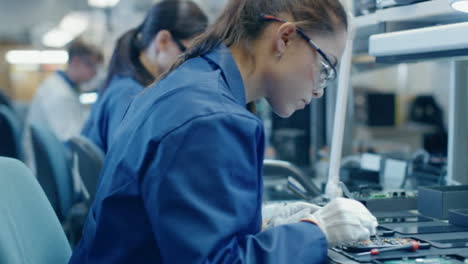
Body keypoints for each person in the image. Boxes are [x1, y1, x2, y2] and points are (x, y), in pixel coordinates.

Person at [70, 0, 377, 263]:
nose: (321, 91)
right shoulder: (210, 118)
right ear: (285, 38)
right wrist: (315, 232)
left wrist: (266, 221)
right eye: (325, 68)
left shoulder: (195, 82)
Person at [81, 0, 208, 153]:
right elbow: (128, 165)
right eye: (188, 54)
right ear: (163, 41)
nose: (189, 66)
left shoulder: (125, 81)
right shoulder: (129, 95)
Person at [25, 40, 103, 142]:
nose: (95, 72)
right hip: (47, 156)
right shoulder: (58, 93)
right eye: (91, 65)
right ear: (76, 62)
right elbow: (69, 139)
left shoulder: (62, 85)